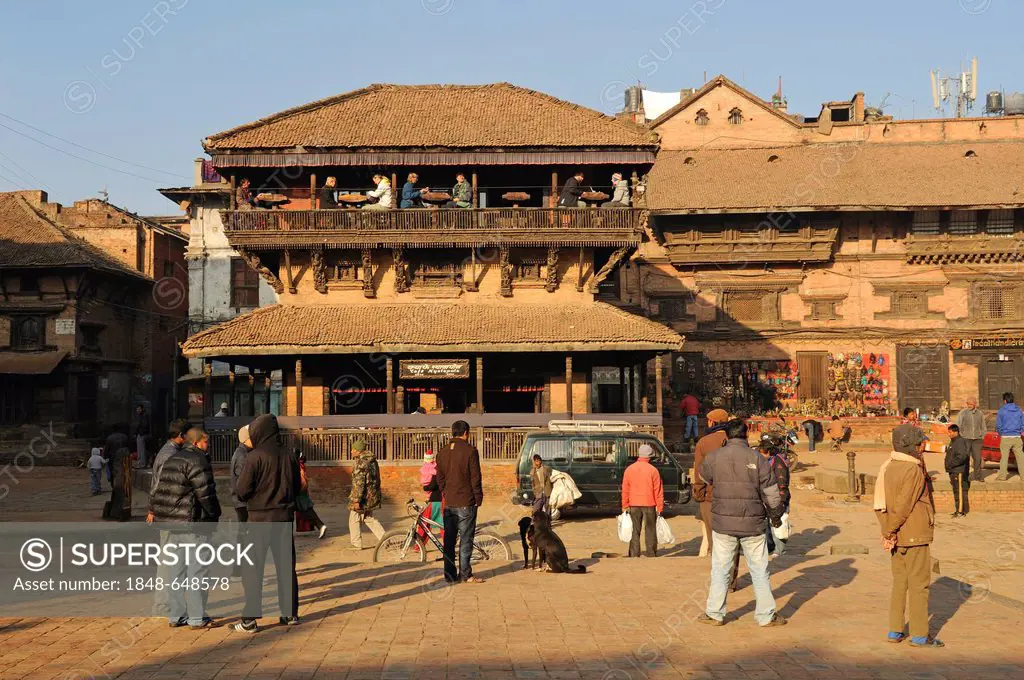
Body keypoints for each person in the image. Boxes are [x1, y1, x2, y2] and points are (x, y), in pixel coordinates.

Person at [698, 419, 787, 628]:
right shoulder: (758, 459)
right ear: (746, 436)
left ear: (727, 437)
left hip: (723, 522)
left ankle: (714, 613)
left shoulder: (715, 457)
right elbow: (772, 493)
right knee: (759, 570)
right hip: (753, 523)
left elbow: (703, 476)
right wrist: (776, 515)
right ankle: (765, 615)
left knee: (720, 569)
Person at [232, 414, 301, 633]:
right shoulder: (289, 455)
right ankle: (289, 614)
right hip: (284, 518)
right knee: (286, 568)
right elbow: (297, 487)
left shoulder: (255, 457)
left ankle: (250, 620)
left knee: (254, 570)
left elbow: (241, 491)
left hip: (259, 520)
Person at [875, 423, 942, 647]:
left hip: (897, 535)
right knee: (919, 585)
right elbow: (904, 504)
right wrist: (890, 529)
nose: (922, 446)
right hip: (914, 533)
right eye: (918, 443)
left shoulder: (889, 465)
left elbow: (881, 503)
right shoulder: (912, 469)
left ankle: (895, 631)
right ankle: (920, 635)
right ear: (909, 446)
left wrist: (888, 531)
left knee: (899, 583)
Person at [150, 427, 221, 630]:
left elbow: (160, 490)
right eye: (206, 442)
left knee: (176, 572)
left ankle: (176, 615)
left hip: (173, 525)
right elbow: (206, 494)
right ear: (197, 442)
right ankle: (197, 617)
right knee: (197, 572)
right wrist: (214, 516)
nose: (208, 446)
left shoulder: (172, 459)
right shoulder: (198, 461)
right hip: (194, 524)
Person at [436, 420, 485, 583]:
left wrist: (446, 491)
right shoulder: (470, 451)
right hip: (466, 501)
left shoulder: (442, 452)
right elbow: (475, 477)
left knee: (449, 541)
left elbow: (439, 478)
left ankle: (449, 575)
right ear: (466, 433)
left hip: (449, 502)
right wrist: (478, 497)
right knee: (466, 539)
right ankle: (465, 574)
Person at [693, 408, 730, 558]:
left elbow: (699, 471)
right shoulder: (736, 441)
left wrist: (699, 493)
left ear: (712, 422)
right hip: (733, 495)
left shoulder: (704, 442)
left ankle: (719, 574)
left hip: (710, 495)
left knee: (713, 536)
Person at [621, 444, 664, 558]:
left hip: (633, 504)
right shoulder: (653, 470)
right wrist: (659, 507)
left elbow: (625, 489)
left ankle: (634, 554)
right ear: (649, 456)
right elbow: (658, 491)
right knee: (650, 530)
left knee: (634, 530)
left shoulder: (629, 469)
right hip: (649, 504)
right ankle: (651, 553)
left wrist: (625, 505)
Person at [147, 419, 190, 523]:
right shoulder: (169, 455)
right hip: (167, 509)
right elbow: (158, 484)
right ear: (181, 435)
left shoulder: (172, 450)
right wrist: (151, 510)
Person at [348, 440, 386, 549]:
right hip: (372, 494)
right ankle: (385, 539)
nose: (351, 451)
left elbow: (359, 483)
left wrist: (356, 500)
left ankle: (356, 544)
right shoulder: (372, 460)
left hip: (364, 496)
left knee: (354, 518)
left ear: (358, 451)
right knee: (368, 518)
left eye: (353, 449)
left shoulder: (361, 462)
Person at [759, 439, 791, 557]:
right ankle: (770, 547)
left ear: (768, 452)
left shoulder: (778, 463)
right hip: (768, 497)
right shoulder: (770, 461)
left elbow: (782, 484)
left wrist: (781, 502)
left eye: (762, 453)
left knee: (778, 524)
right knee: (767, 523)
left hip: (779, 498)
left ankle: (780, 549)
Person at [103, 424, 132, 521]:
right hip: (125, 463)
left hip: (114, 461)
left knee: (116, 485)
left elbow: (106, 452)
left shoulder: (110, 438)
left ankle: (117, 509)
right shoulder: (125, 437)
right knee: (124, 484)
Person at [296, 450, 327, 539]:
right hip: (302, 492)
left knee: (305, 511)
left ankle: (320, 525)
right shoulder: (301, 466)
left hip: (299, 492)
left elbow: (302, 482)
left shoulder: (298, 466)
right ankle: (320, 525)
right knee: (306, 511)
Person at [955, 398, 986, 482]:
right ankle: (965, 476)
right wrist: (960, 437)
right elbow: (958, 425)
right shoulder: (962, 413)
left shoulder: (980, 414)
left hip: (977, 440)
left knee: (977, 459)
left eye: (971, 404)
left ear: (975, 404)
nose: (969, 406)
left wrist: (982, 436)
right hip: (966, 439)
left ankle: (978, 476)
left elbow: (983, 426)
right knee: (965, 458)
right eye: (968, 404)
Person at [996, 392, 1024, 481]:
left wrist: (1002, 433)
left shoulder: (1001, 411)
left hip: (1006, 437)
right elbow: (1023, 424)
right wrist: (1020, 432)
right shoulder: (1019, 410)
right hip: (1017, 437)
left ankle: (1002, 477)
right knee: (1020, 458)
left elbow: (998, 426)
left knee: (1004, 458)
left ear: (1005, 401)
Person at [417, 450, 443, 544]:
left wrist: (425, 488)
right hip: (443, 499)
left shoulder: (436, 471)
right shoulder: (445, 470)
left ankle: (419, 545)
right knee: (442, 524)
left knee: (424, 522)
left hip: (435, 500)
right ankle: (448, 546)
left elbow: (432, 485)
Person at [944, 424, 970, 518]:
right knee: (956, 491)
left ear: (956, 432)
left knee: (959, 491)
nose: (949, 434)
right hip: (953, 470)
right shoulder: (954, 441)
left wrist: (951, 464)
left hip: (958, 470)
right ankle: (957, 510)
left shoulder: (959, 442)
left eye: (950, 432)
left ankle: (960, 511)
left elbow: (961, 457)